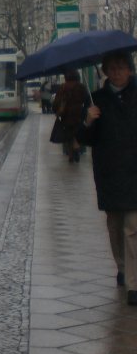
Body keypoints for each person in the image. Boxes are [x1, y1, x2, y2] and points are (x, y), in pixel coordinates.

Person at [77, 51, 137, 306]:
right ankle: (123, 267)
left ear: (130, 69)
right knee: (115, 226)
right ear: (104, 71)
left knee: (132, 228)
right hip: (109, 172)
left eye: (121, 67)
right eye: (111, 68)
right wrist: (88, 121)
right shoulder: (96, 99)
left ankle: (134, 285)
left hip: (135, 170)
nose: (116, 72)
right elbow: (84, 139)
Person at [52, 70, 88, 163]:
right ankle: (76, 147)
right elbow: (87, 101)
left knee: (68, 135)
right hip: (79, 114)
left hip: (66, 115)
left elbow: (56, 102)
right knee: (76, 133)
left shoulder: (63, 87)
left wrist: (57, 110)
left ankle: (71, 155)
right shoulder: (81, 87)